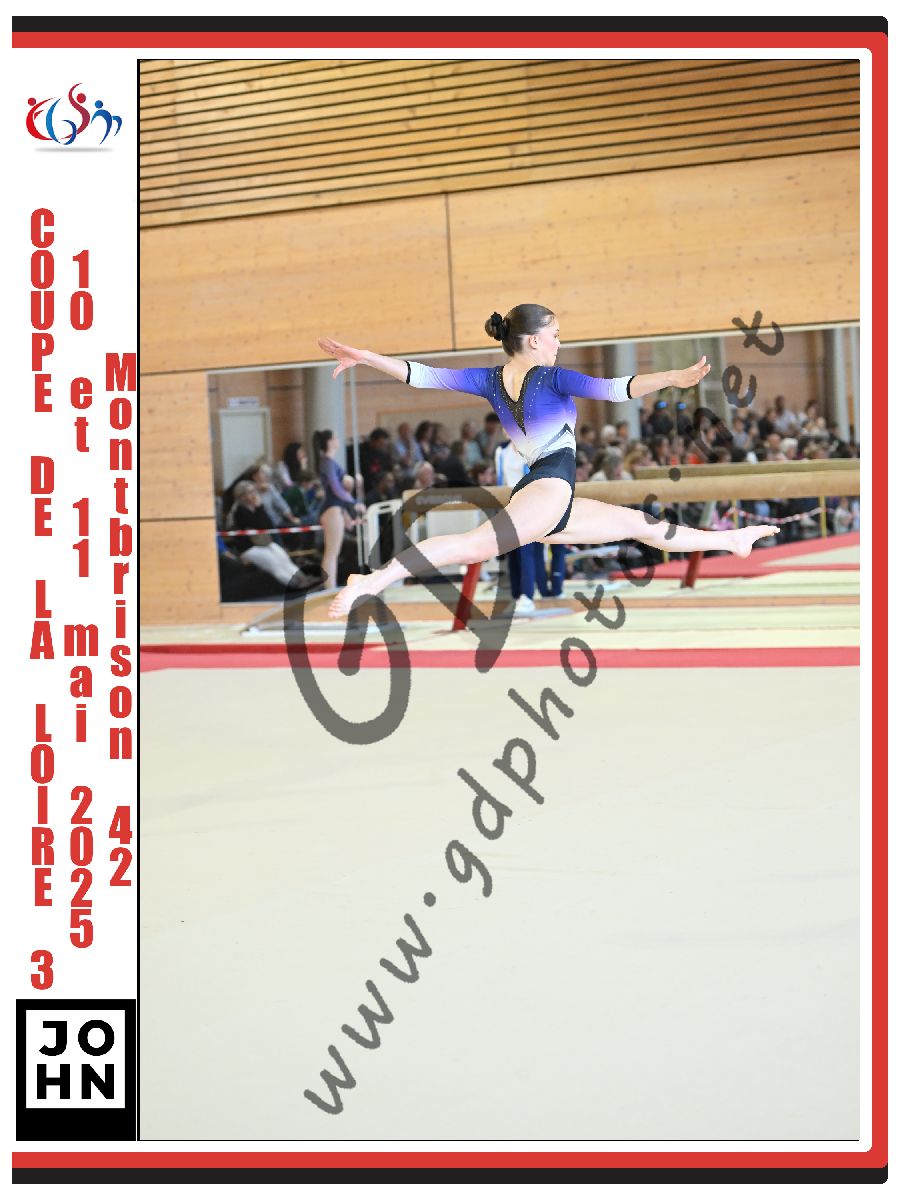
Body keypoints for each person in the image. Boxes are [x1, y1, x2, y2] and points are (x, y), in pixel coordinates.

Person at [317, 305, 776, 618]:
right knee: (472, 546)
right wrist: (673, 377)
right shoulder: (551, 378)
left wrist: (368, 358)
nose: (558, 343)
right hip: (550, 486)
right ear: (534, 340)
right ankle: (374, 580)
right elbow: (616, 389)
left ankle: (732, 539)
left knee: (642, 525)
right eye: (555, 336)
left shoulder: (488, 379)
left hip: (546, 490)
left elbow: (422, 375)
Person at [226, 481, 312, 590]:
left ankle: (303, 578)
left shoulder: (256, 507)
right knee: (274, 564)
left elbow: (269, 525)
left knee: (283, 557)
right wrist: (259, 508)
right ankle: (295, 585)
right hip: (249, 547)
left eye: (254, 491)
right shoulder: (239, 511)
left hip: (264, 543)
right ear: (241, 496)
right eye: (250, 492)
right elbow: (260, 525)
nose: (254, 494)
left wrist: (260, 508)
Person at [313, 429, 365, 590]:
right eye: (335, 438)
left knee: (334, 552)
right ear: (329, 442)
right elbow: (336, 488)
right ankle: (330, 588)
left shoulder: (330, 462)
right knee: (331, 553)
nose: (338, 440)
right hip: (332, 508)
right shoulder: (327, 462)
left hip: (337, 508)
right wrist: (353, 503)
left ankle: (331, 586)